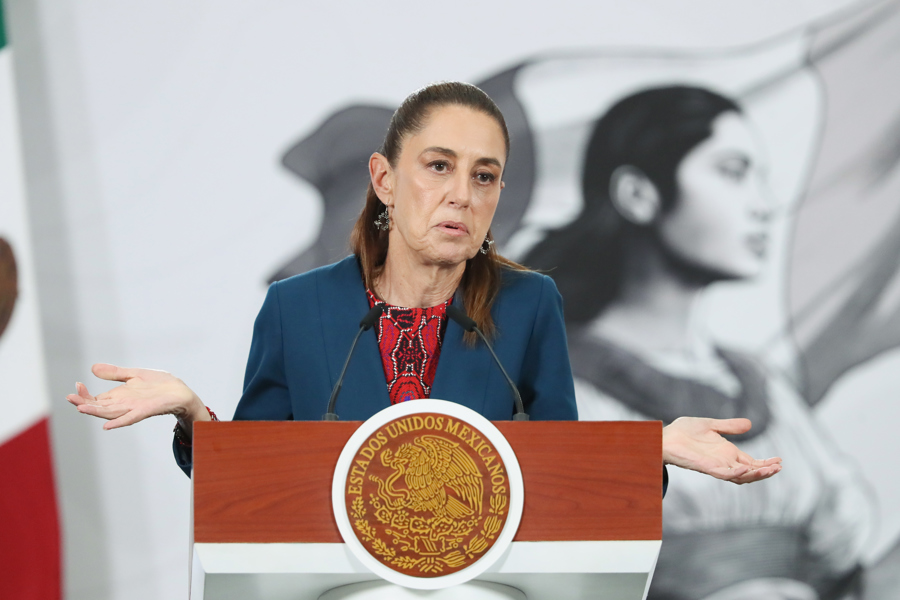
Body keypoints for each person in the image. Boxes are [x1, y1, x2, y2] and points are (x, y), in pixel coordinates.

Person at [67, 82, 781, 487]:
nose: (462, 195)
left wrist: (647, 447)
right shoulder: (297, 307)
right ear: (384, 180)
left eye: (485, 176)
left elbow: (559, 473)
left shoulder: (530, 305)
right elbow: (255, 485)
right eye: (437, 166)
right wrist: (192, 413)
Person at [525, 85, 873, 600]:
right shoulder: (552, 389)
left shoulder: (762, 385)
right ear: (639, 195)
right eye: (733, 172)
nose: (765, 206)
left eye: (761, 178)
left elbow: (843, 553)